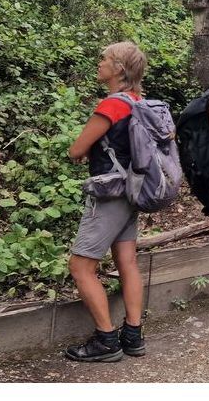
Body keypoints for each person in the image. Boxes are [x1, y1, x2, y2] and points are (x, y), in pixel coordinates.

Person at [63, 41, 149, 362]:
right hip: (133, 193)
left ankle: (106, 341)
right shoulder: (140, 102)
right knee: (126, 262)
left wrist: (82, 151)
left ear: (119, 70)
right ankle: (133, 334)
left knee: (81, 265)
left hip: (110, 194)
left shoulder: (113, 105)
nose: (99, 64)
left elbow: (76, 149)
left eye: (104, 59)